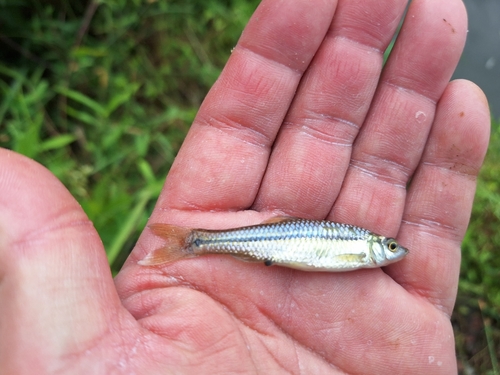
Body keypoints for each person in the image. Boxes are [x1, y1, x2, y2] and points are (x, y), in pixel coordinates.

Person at [0, 0, 490, 373]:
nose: (389, 250)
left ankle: (195, 244)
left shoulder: (359, 251)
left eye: (385, 247)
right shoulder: (357, 248)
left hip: (273, 242)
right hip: (268, 242)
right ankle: (195, 244)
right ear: (369, 246)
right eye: (384, 246)